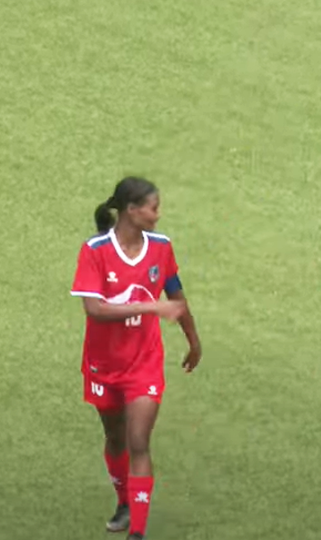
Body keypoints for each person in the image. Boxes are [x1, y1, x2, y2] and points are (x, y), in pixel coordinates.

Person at [70, 177, 202, 540]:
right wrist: (150, 306)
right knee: (115, 438)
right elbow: (95, 309)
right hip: (103, 365)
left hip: (144, 364)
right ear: (131, 210)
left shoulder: (161, 248)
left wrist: (193, 340)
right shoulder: (95, 250)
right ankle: (124, 502)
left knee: (139, 440)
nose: (158, 215)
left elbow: (176, 297)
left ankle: (138, 532)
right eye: (153, 208)